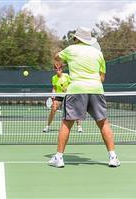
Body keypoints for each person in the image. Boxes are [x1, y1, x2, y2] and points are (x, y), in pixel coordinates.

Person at [48, 27, 120, 168]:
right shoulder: (98, 54)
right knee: (104, 123)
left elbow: (56, 58)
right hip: (96, 90)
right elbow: (102, 77)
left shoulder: (71, 49)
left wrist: (60, 63)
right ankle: (113, 157)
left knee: (67, 123)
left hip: (76, 90)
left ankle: (59, 158)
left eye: (74, 38)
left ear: (77, 39)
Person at [43, 65, 83, 133]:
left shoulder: (66, 76)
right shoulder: (54, 78)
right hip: (58, 95)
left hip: (68, 95)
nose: (57, 69)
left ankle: (79, 126)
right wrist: (53, 94)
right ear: (54, 70)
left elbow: (72, 84)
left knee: (74, 110)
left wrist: (67, 88)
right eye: (56, 68)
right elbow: (54, 88)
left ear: (61, 69)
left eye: (59, 68)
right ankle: (47, 126)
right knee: (53, 109)